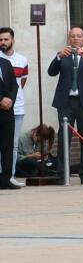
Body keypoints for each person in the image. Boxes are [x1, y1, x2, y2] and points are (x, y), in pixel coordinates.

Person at [48, 26, 83, 185]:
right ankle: (63, 173)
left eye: (79, 36)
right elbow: (51, 72)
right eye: (73, 36)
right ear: (69, 39)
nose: (76, 39)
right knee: (64, 137)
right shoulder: (63, 56)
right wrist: (57, 58)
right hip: (66, 102)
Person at [0, 27, 28, 187]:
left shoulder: (17, 61)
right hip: (2, 106)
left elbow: (18, 83)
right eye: (0, 40)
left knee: (11, 144)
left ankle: (8, 176)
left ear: (12, 40)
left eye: (6, 39)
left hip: (13, 108)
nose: (3, 42)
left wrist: (9, 99)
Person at [0, 52, 19, 189]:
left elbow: (15, 85)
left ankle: (6, 179)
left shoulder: (5, 63)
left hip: (7, 112)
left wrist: (10, 99)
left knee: (8, 147)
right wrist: (1, 100)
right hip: (2, 103)